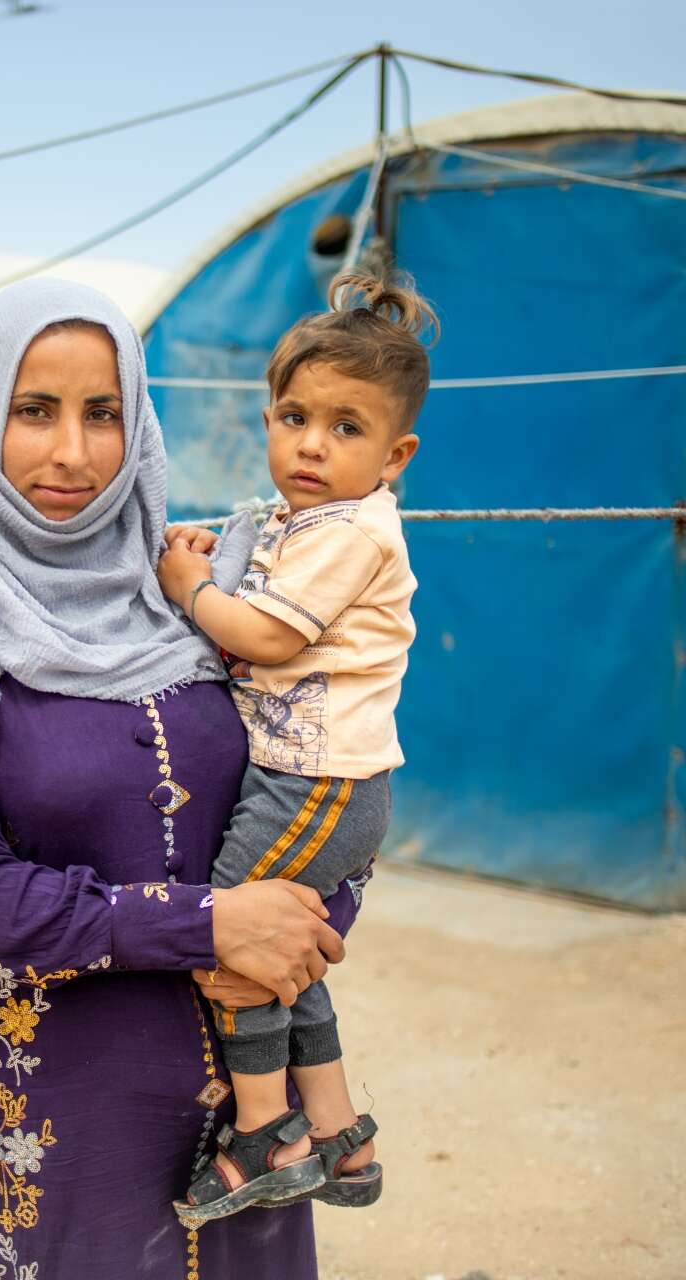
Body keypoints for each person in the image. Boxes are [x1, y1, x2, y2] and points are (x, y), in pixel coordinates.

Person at [0, 277, 362, 1279]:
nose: (71, 453)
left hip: (250, 1099)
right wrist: (212, 926)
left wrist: (298, 926)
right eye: (33, 411)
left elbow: (327, 771)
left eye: (103, 413)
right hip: (63, 1105)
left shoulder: (201, 598)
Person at [155, 269, 436, 1224]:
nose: (312, 444)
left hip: (316, 782)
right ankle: (339, 1130)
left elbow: (265, 636)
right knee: (286, 958)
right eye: (293, 416)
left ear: (394, 454)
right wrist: (213, 554)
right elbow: (256, 577)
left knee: (227, 942)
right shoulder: (299, 520)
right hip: (312, 782)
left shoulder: (354, 531)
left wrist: (184, 585)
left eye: (347, 428)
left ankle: (265, 1135)